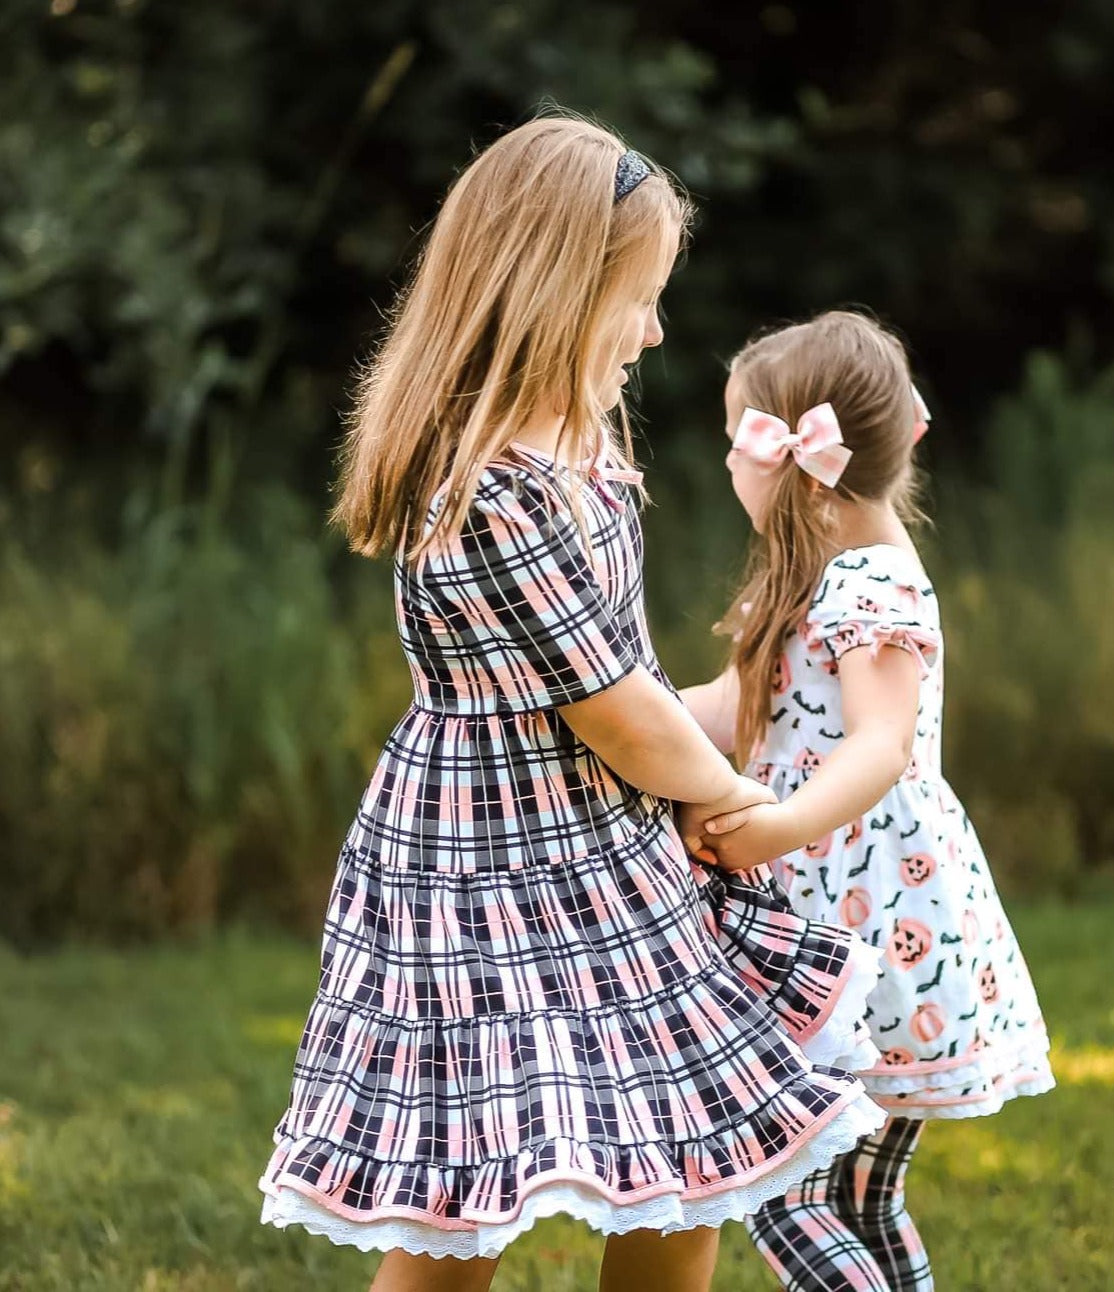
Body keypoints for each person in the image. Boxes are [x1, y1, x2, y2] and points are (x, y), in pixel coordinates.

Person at [258, 119, 885, 1292]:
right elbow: (615, 711)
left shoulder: (576, 454)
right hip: (493, 867)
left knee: (681, 1147)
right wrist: (735, 795)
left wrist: (732, 707)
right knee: (461, 1190)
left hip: (596, 843)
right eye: (637, 299)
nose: (653, 331)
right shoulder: (492, 488)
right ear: (554, 291)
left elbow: (630, 682)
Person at [683, 310, 1055, 1290]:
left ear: (800, 462)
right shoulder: (820, 581)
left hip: (856, 936)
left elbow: (879, 744)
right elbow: (730, 709)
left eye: (739, 443)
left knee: (784, 1195)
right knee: (857, 1199)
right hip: (857, 927)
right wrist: (605, 714)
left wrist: (777, 824)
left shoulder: (868, 586)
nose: (728, 465)